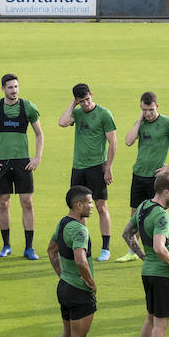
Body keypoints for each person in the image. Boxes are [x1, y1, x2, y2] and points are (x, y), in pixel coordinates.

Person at [121, 172, 169, 337]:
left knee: (150, 318)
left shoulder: (143, 206)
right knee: (160, 325)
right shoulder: (162, 215)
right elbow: (159, 247)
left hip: (148, 271)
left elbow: (127, 234)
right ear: (165, 192)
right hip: (162, 275)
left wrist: (141, 256)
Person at [0, 73, 44, 260]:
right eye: (10, 87)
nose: (14, 91)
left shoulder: (28, 107)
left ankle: (29, 248)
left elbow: (39, 134)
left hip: (22, 161)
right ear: (3, 89)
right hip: (1, 162)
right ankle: (6, 246)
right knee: (3, 202)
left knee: (27, 202)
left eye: (16, 87)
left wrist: (37, 157)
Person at [39, 186, 97, 337]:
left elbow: (51, 250)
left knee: (67, 334)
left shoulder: (63, 223)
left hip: (64, 287)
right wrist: (90, 282)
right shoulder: (80, 230)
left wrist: (61, 274)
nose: (92, 206)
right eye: (90, 202)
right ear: (78, 204)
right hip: (79, 291)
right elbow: (81, 260)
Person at [117, 92, 169, 262]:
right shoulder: (141, 123)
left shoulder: (167, 123)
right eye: (144, 110)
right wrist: (139, 120)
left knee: (160, 212)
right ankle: (132, 252)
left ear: (157, 107)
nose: (148, 113)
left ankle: (164, 246)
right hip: (138, 174)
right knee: (136, 213)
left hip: (156, 178)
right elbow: (128, 141)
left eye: (150, 109)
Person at [57, 83, 117, 262]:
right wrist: (73, 104)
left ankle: (106, 248)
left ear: (92, 94)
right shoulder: (77, 112)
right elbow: (62, 122)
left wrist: (108, 168)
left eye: (87, 100)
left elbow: (113, 143)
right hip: (78, 167)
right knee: (79, 208)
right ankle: (84, 245)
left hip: (97, 166)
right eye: (81, 101)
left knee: (100, 206)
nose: (86, 104)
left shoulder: (104, 114)